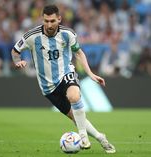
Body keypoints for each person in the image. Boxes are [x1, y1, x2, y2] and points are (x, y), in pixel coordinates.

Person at [11, 4, 116, 154]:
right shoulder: (31, 36)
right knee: (76, 118)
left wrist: (91, 74)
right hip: (48, 87)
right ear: (42, 19)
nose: (49, 24)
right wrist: (17, 62)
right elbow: (15, 51)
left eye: (52, 21)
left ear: (59, 19)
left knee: (74, 96)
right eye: (46, 21)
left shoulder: (68, 34)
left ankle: (82, 136)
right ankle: (100, 137)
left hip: (66, 73)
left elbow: (78, 53)